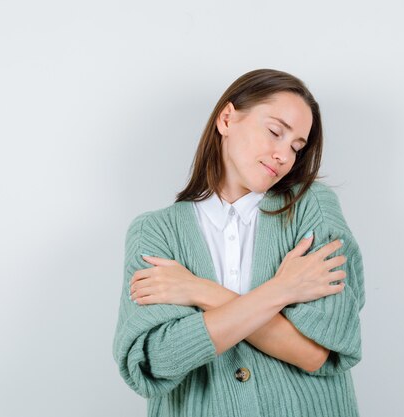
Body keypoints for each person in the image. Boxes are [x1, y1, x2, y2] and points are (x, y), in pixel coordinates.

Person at [112, 68, 366, 417]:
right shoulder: (155, 231)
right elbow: (156, 361)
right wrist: (285, 289)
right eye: (275, 131)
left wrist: (200, 290)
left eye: (296, 147)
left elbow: (315, 352)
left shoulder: (313, 208)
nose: (284, 155)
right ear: (228, 119)